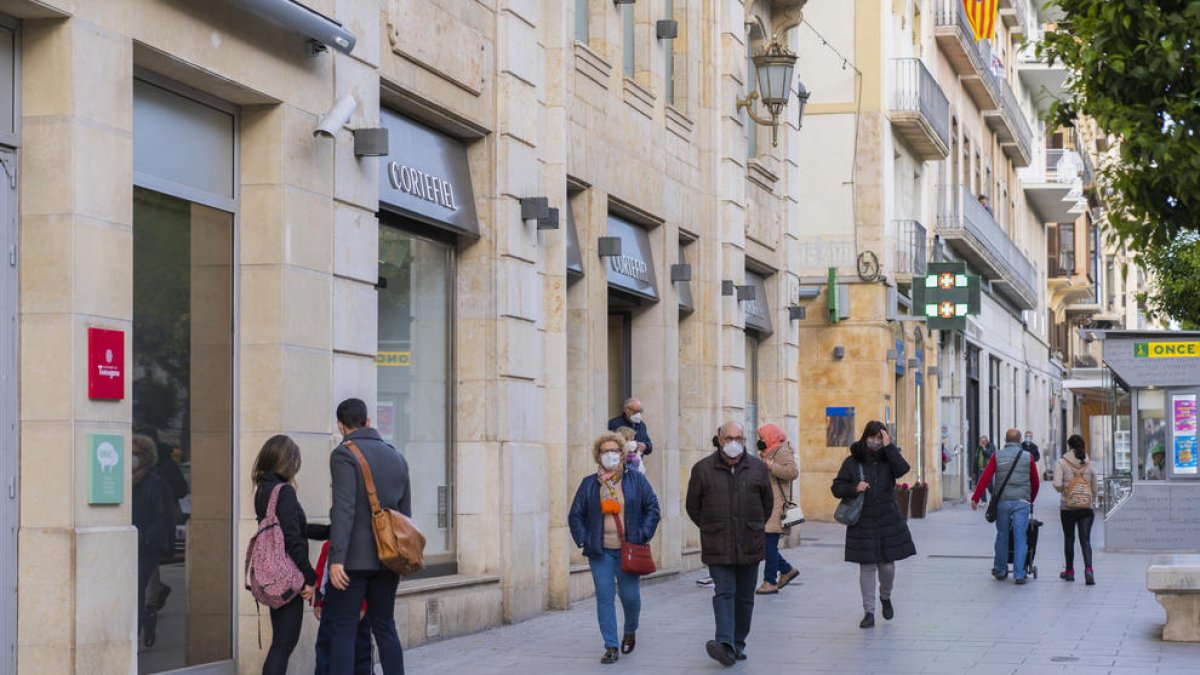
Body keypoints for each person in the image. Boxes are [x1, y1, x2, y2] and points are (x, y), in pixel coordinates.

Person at [325, 398, 411, 675]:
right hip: (389, 559)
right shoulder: (397, 456)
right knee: (385, 626)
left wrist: (336, 559)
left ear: (340, 425)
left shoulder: (343, 455)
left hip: (353, 561)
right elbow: (405, 515)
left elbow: (344, 509)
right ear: (368, 422)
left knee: (344, 629)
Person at [568, 431, 661, 664]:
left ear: (622, 454)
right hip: (600, 551)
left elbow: (653, 508)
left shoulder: (636, 480)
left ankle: (630, 629)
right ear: (598, 456)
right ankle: (610, 645)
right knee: (604, 596)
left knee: (630, 597)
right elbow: (575, 515)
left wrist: (642, 534)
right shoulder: (590, 484)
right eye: (604, 451)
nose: (610, 454)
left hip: (628, 548)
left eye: (614, 450)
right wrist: (584, 539)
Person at [685, 421, 772, 666]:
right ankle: (724, 643)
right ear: (719, 439)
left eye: (738, 438)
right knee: (724, 592)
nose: (733, 443)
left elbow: (767, 504)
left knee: (744, 597)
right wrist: (710, 526)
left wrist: (753, 526)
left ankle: (738, 642)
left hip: (749, 542)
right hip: (717, 542)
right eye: (728, 438)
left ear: (744, 441)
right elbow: (693, 506)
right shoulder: (702, 469)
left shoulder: (758, 468)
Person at [830, 421, 917, 629]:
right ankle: (868, 612)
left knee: (887, 566)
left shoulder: (889, 459)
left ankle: (885, 596)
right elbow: (836, 487)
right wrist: (854, 487)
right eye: (872, 438)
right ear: (865, 437)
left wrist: (889, 447)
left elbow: (903, 469)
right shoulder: (853, 461)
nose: (875, 442)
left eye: (879, 438)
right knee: (867, 567)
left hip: (888, 519)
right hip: (863, 521)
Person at [251, 435, 318, 675]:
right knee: (283, 644)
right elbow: (292, 538)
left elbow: (292, 527)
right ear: (288, 461)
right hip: (286, 576)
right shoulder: (284, 491)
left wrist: (330, 530)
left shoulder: (263, 490)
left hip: (271, 574)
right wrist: (310, 577)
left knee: (280, 642)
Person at [972, 429, 1040, 584]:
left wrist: (976, 497)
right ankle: (1019, 574)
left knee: (1002, 535)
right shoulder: (1027, 457)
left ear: (1005, 439)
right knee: (1020, 536)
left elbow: (985, 477)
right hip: (1022, 502)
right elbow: (1035, 481)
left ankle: (1001, 570)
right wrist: (1030, 500)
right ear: (1021, 440)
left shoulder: (997, 455)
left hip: (1002, 501)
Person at [131, 435, 175, 649]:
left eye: (136, 454)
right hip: (126, 547)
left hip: (145, 549)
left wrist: (145, 541)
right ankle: (147, 619)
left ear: (146, 458)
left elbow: (161, 518)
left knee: (136, 590)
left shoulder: (155, 484)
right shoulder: (120, 481)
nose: (131, 458)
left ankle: (135, 635)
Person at [313, 540, 374, 675]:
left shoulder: (365, 543)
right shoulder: (330, 544)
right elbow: (321, 572)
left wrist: (363, 604)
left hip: (358, 606)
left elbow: (369, 578)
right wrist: (319, 601)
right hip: (331, 605)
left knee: (361, 650)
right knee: (325, 649)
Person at [754, 423, 800, 594]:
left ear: (771, 437)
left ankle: (770, 581)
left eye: (762, 437)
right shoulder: (768, 452)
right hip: (767, 504)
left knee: (768, 544)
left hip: (777, 505)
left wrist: (771, 466)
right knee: (766, 544)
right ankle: (786, 569)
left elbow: (793, 472)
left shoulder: (781, 451)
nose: (760, 441)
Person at [1053, 434, 1097, 585]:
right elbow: (1095, 487)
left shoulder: (1062, 462)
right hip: (1086, 508)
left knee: (1069, 539)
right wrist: (1088, 496)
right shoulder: (1088, 463)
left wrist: (1066, 490)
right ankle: (1089, 570)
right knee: (1085, 540)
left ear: (1069, 446)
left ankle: (1070, 571)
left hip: (1068, 507)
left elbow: (1057, 483)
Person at [973, 436, 995, 503]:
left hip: (988, 469)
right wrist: (974, 470)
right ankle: (984, 501)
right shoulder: (978, 448)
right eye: (981, 441)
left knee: (989, 486)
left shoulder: (991, 447)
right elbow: (976, 459)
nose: (983, 443)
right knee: (981, 485)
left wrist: (984, 449)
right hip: (980, 469)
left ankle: (994, 497)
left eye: (984, 441)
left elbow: (991, 455)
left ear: (987, 441)